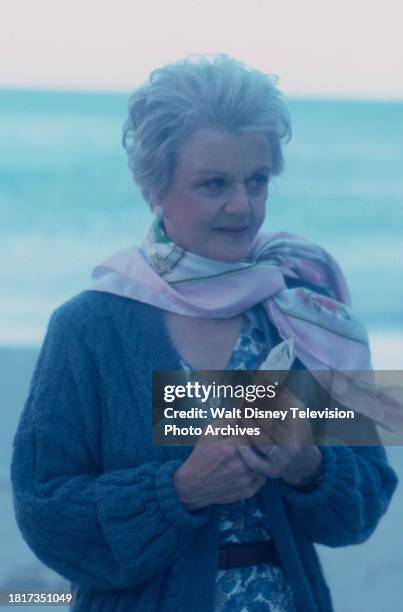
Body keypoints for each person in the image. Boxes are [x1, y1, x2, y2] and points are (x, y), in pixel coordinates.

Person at [11, 54, 398, 612]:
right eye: (214, 183)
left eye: (257, 181)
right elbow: (45, 512)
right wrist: (182, 490)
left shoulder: (300, 317)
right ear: (155, 187)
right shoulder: (90, 328)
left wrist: (308, 467)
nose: (242, 205)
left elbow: (365, 502)